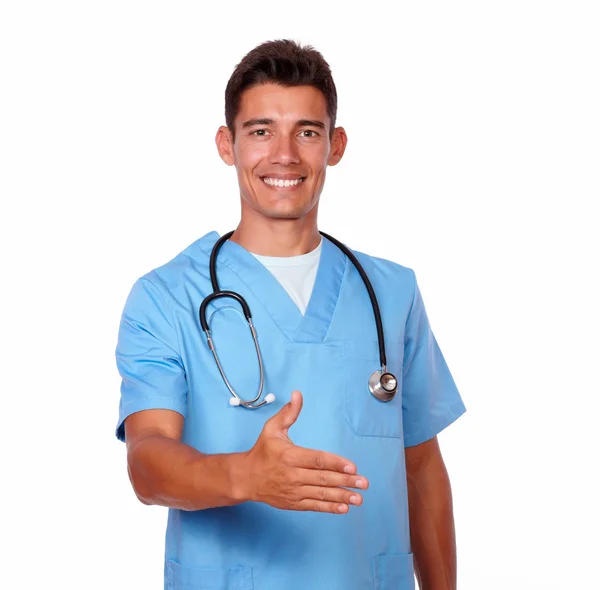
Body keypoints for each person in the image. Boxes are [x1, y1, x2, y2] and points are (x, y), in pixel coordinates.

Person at [115, 38, 466, 590]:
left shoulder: (391, 293)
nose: (285, 154)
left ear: (336, 144)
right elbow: (147, 463)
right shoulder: (165, 297)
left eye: (307, 131)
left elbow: (421, 467)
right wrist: (245, 476)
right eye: (260, 131)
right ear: (227, 145)